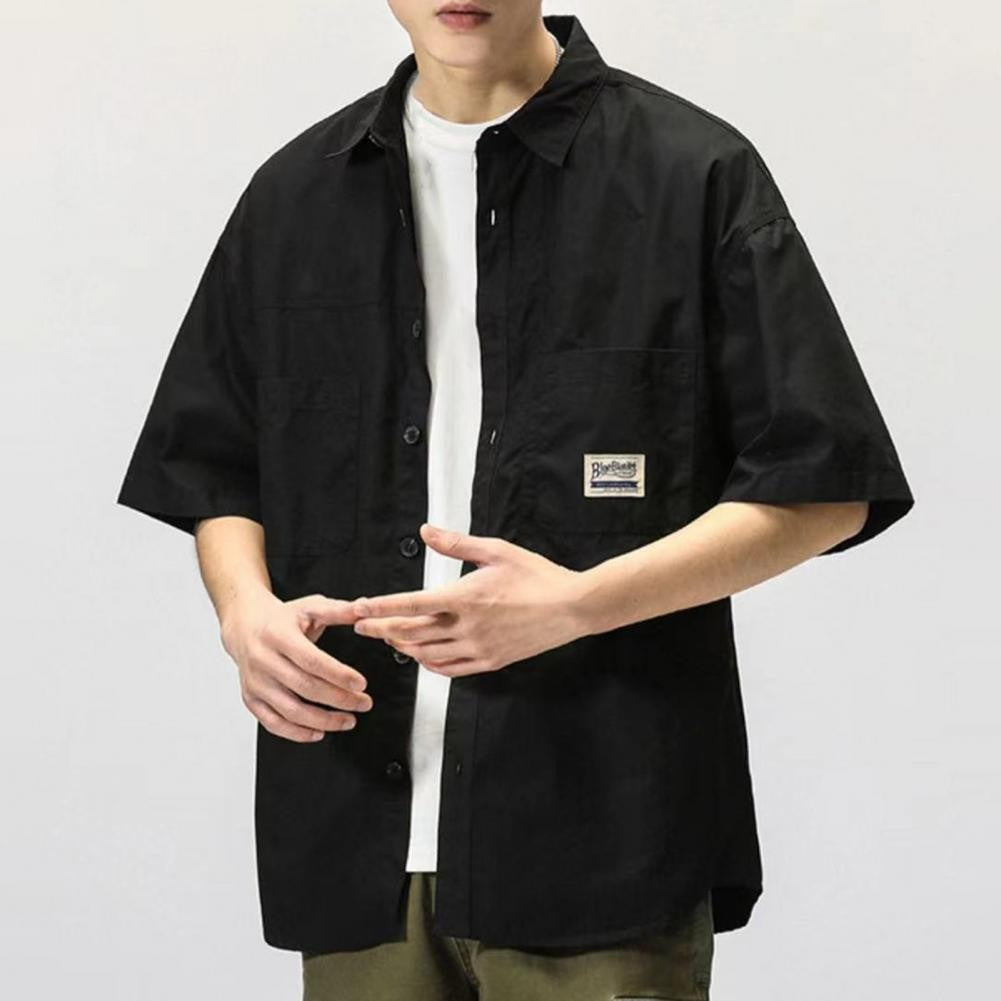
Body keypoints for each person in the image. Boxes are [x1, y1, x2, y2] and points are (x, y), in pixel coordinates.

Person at [116, 4, 915, 999]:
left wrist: (576, 604)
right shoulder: (296, 195)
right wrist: (244, 614)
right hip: (355, 829)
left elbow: (825, 484)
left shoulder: (690, 173)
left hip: (600, 834)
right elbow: (216, 464)